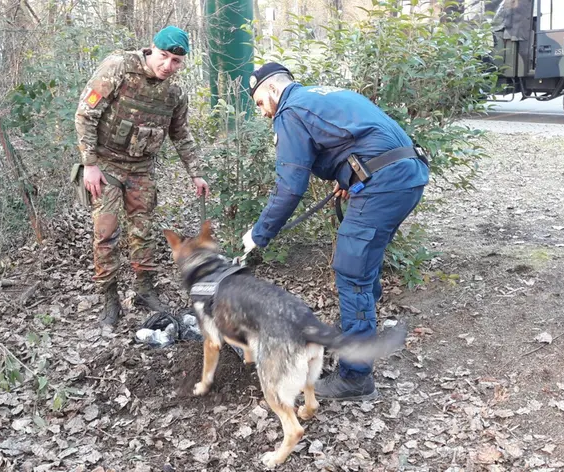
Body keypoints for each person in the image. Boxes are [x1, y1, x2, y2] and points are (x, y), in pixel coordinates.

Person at [242, 62, 429, 400]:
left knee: (351, 271)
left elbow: (289, 187)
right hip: (407, 173)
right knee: (363, 259)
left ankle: (356, 377)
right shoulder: (319, 95)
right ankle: (363, 326)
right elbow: (361, 136)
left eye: (259, 103)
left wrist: (258, 234)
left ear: (272, 89)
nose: (262, 112)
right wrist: (353, 176)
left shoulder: (289, 111)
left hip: (385, 183)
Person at [75, 25, 210, 329]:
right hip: (107, 165)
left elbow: (180, 133)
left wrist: (196, 172)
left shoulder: (174, 93)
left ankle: (144, 290)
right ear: (152, 49)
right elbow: (86, 114)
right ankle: (109, 299)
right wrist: (90, 164)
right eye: (163, 57)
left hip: (141, 168)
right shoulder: (119, 67)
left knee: (143, 231)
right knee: (106, 234)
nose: (168, 66)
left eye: (176, 61)